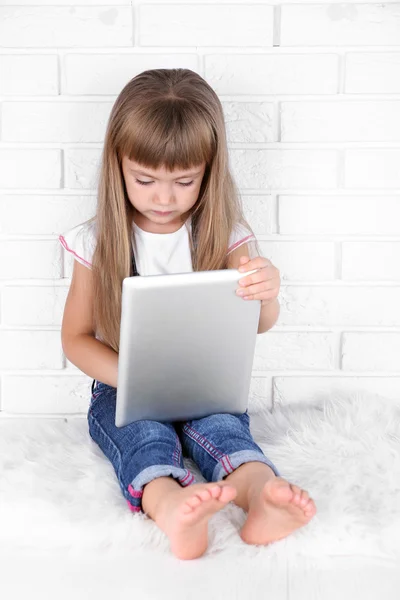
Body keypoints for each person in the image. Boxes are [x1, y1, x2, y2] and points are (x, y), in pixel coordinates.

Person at [59, 68, 317, 561]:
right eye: (144, 179)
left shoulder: (226, 234)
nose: (164, 197)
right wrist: (136, 381)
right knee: (142, 437)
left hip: (205, 384)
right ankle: (173, 506)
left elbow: (259, 323)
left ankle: (263, 496)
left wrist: (267, 293)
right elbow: (75, 338)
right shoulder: (94, 241)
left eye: (184, 181)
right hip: (123, 388)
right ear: (117, 167)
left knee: (225, 430)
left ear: (209, 172)